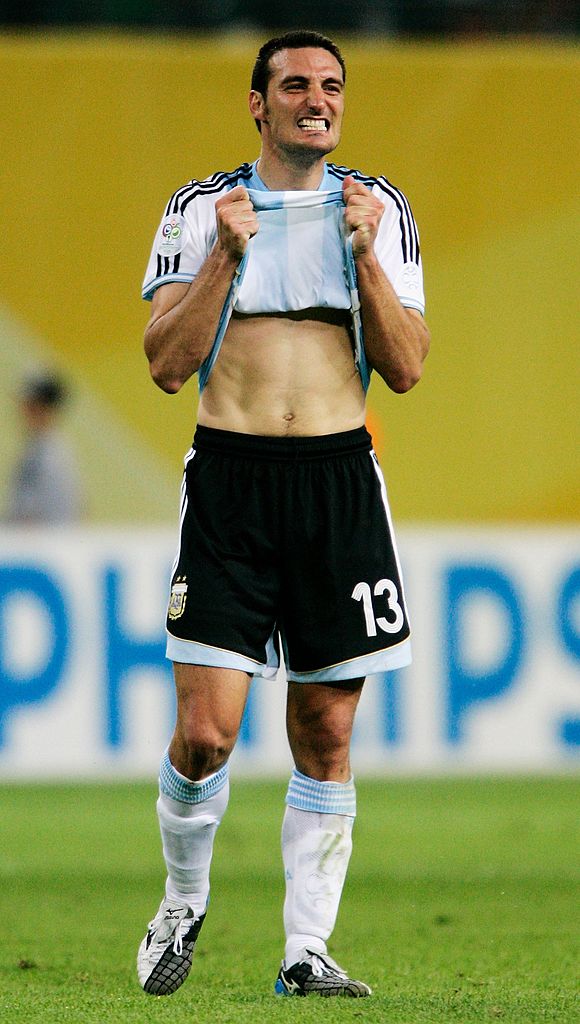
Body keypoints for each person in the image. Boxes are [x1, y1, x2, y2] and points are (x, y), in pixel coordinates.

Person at [138, 29, 429, 999]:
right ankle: (183, 899)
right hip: (232, 480)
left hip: (338, 483)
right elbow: (166, 364)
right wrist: (226, 256)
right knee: (206, 733)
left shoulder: (377, 209)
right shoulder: (201, 210)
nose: (318, 99)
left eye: (332, 85)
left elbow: (407, 366)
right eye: (296, 84)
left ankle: (307, 950)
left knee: (326, 729)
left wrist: (366, 259)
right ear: (258, 104)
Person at [4, 372, 82, 525]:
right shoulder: (40, 448)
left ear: (44, 409)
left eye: (30, 405)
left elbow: (28, 520)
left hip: (42, 536)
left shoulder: (49, 456)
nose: (22, 410)